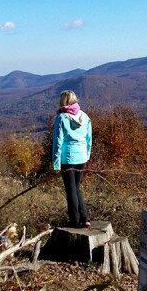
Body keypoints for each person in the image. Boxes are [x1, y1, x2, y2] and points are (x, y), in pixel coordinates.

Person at [52, 90, 92, 228]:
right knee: (77, 187)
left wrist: (56, 163)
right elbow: (89, 139)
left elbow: (58, 142)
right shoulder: (85, 116)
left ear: (63, 101)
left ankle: (75, 221)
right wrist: (87, 155)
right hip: (81, 156)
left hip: (68, 157)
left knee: (71, 190)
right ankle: (85, 218)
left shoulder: (61, 118)